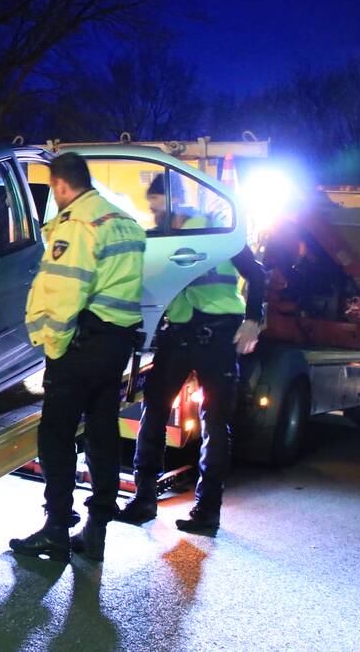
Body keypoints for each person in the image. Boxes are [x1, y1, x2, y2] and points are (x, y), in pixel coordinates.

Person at [10, 152, 145, 562]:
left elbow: (67, 290)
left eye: (54, 189)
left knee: (55, 435)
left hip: (80, 345)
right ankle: (97, 529)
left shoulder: (80, 224)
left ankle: (55, 527)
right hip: (116, 343)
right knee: (102, 432)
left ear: (61, 185)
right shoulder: (123, 220)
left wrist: (53, 345)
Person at [116, 174, 266, 533]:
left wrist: (253, 320)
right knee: (153, 412)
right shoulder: (163, 237)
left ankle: (207, 511)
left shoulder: (216, 231)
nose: (153, 216)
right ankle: (144, 499)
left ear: (174, 201)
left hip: (218, 336)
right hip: (180, 333)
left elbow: (257, 275)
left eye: (157, 208)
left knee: (214, 422)